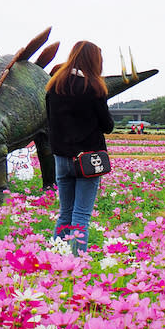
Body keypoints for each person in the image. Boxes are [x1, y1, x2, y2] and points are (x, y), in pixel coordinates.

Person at [45, 40, 114, 253]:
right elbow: (107, 126)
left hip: (61, 159)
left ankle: (55, 257)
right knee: (81, 215)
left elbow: (50, 123)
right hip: (87, 160)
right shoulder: (93, 88)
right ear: (93, 61)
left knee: (65, 212)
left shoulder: (54, 86)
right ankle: (75, 263)